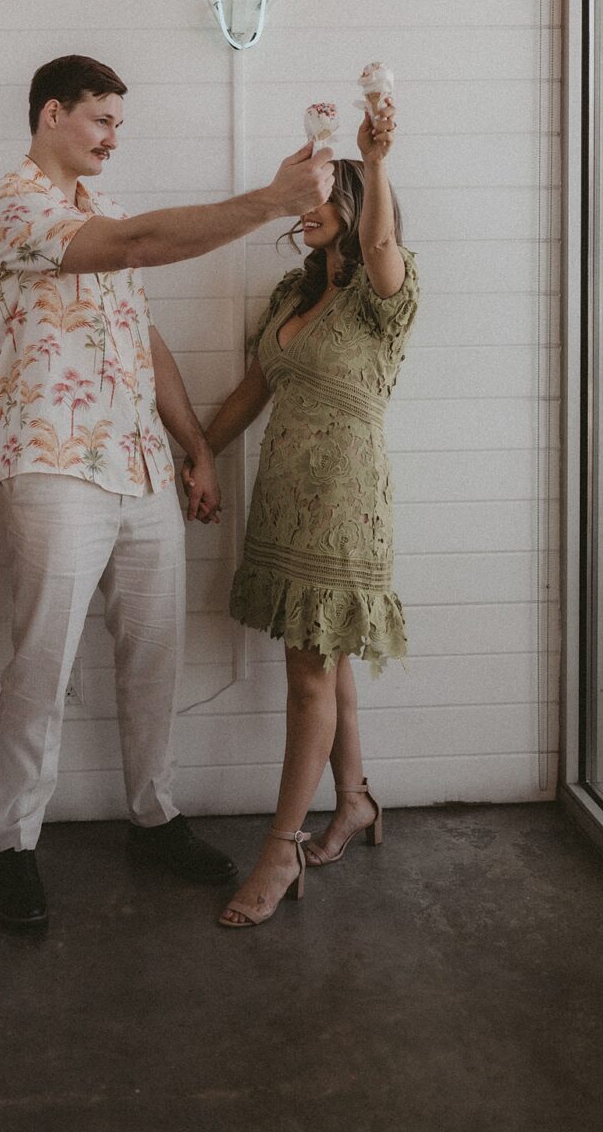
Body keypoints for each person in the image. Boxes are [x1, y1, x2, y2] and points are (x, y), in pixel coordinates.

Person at [0, 54, 335, 929]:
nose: (112, 137)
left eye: (119, 123)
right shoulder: (13, 206)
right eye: (100, 120)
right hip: (54, 466)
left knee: (154, 653)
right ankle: (14, 845)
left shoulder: (111, 211)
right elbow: (133, 252)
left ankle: (153, 817)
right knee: (41, 663)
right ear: (52, 114)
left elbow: (142, 332)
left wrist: (196, 448)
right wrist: (272, 201)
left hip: (137, 467)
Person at [191, 99, 417, 928]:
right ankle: (353, 802)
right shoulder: (293, 290)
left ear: (356, 208)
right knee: (328, 661)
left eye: (327, 195)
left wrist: (375, 160)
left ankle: (281, 847)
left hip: (344, 503)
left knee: (308, 676)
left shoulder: (384, 293)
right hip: (285, 498)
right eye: (306, 197)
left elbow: (385, 249)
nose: (308, 209)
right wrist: (197, 451)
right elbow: (253, 390)